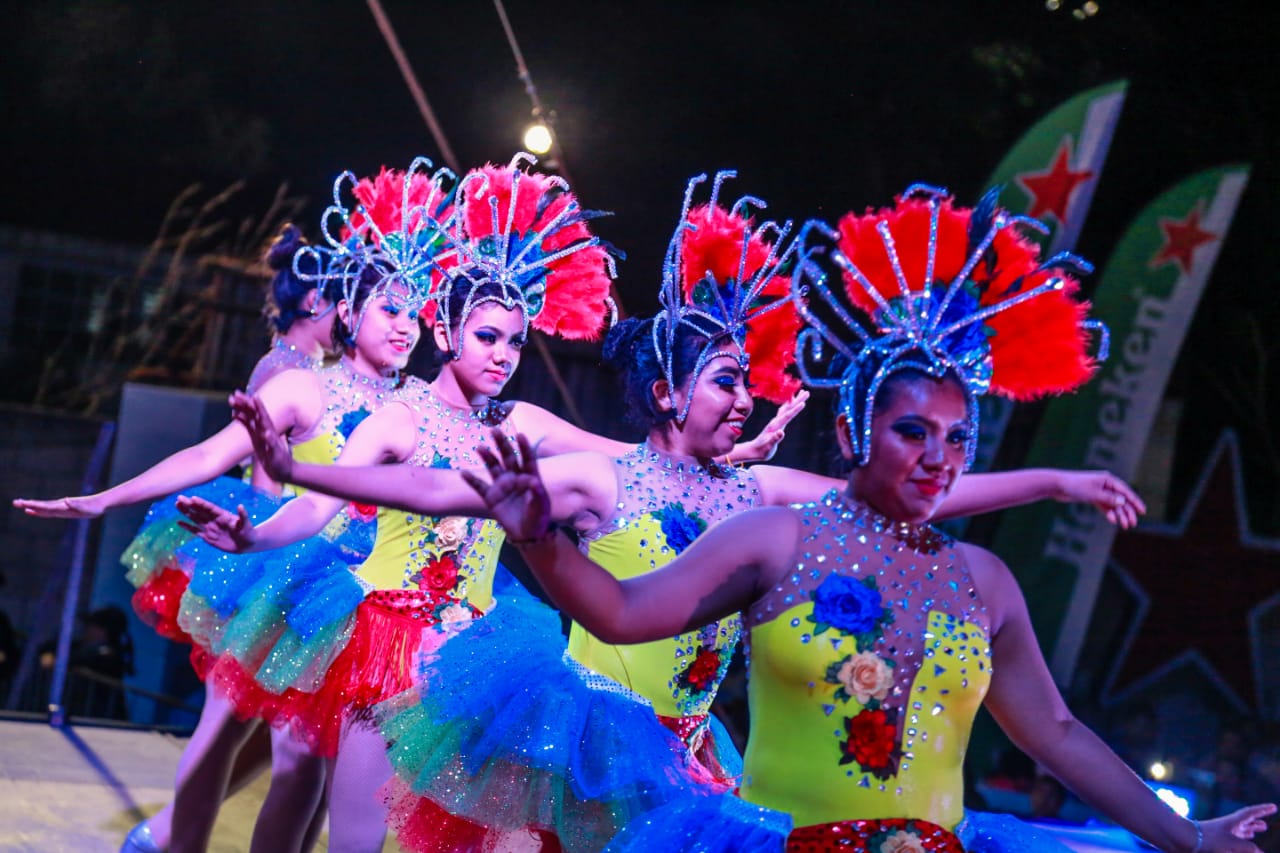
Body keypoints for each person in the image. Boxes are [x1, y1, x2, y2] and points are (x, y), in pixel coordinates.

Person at [190, 173, 1146, 852]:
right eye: (727, 381)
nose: (744, 398)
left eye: (746, 381)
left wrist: (1052, 482)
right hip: (581, 736)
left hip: (687, 753)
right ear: (667, 393)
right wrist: (300, 471)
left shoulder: (755, 494)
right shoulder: (605, 479)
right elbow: (447, 489)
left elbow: (903, 488)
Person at [459, 186, 1276, 852]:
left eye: (958, 437)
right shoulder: (776, 536)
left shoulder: (983, 580)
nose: (938, 456)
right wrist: (537, 537)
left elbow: (1056, 732)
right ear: (853, 435)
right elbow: (621, 611)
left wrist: (1189, 835)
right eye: (912, 431)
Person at [177, 153, 795, 853]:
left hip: (475, 660)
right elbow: (320, 509)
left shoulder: (523, 423)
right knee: (354, 837)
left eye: (516, 342)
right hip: (386, 646)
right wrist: (254, 536)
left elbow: (638, 460)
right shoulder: (398, 418)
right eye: (487, 337)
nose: (503, 354)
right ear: (446, 334)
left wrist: (730, 458)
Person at [13, 166, 439, 852]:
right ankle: (167, 838)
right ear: (348, 311)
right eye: (390, 310)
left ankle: (167, 835)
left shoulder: (420, 406)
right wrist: (105, 497)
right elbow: (209, 454)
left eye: (414, 314)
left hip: (378, 603)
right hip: (298, 583)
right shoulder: (303, 388)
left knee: (318, 782)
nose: (405, 327)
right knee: (291, 764)